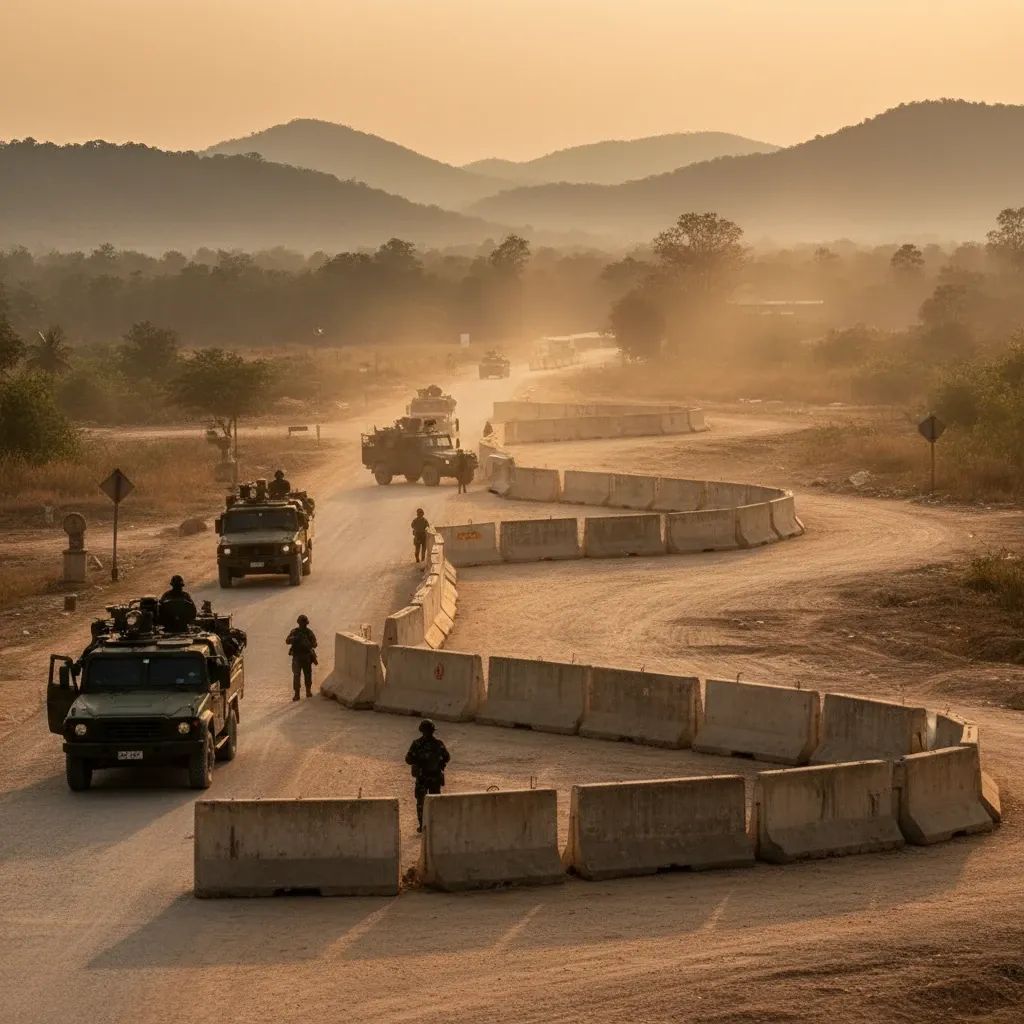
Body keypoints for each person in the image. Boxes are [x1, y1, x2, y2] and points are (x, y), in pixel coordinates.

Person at [405, 719, 450, 832]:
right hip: (435, 778)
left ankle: (422, 826)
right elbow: (447, 757)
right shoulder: (438, 744)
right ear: (432, 731)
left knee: (421, 803)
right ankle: (435, 824)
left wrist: (418, 761)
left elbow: (408, 759)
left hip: (422, 778)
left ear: (421, 731)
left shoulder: (417, 744)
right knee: (435, 801)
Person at [285, 614, 318, 700]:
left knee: (307, 675)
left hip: (306, 656)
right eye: (301, 623)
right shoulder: (295, 632)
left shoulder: (308, 633)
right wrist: (295, 638)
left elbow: (315, 644)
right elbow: (287, 641)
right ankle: (297, 694)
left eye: (303, 623)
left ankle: (307, 691)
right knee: (297, 675)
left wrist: (307, 643)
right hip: (297, 656)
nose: (302, 625)